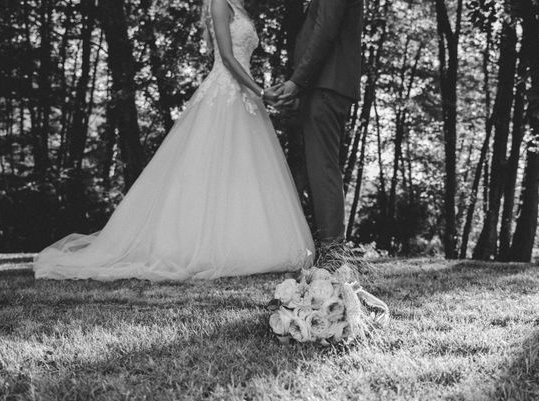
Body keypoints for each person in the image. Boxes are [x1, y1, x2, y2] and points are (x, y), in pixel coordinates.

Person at [34, 0, 314, 281]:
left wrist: (259, 92)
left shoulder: (240, 8)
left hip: (246, 97)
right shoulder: (219, 4)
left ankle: (252, 242)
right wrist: (261, 91)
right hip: (226, 93)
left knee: (245, 171)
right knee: (207, 168)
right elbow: (227, 58)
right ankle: (198, 245)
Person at [273, 0, 363, 265]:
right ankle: (328, 250)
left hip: (327, 84)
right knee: (319, 168)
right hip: (324, 85)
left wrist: (297, 81)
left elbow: (324, 31)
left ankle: (333, 253)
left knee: (323, 169)